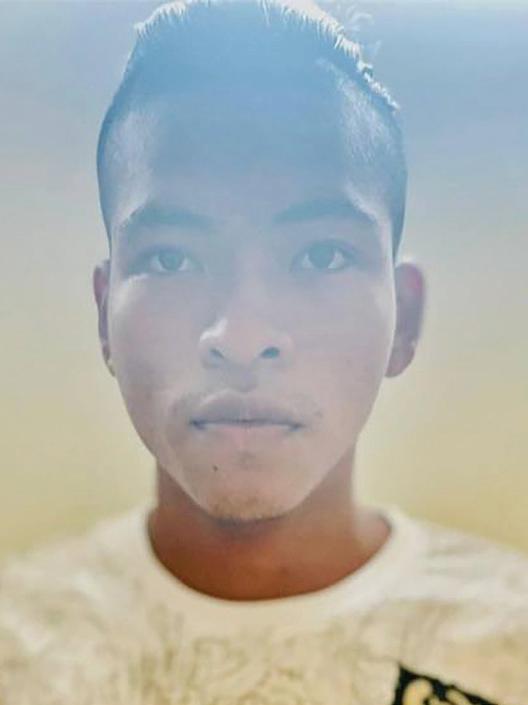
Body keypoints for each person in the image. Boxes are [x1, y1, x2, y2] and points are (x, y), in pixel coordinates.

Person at [1, 0, 527, 703]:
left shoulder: (510, 643)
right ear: (105, 316)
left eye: (321, 255)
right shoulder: (16, 649)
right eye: (171, 259)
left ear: (404, 319)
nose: (242, 337)